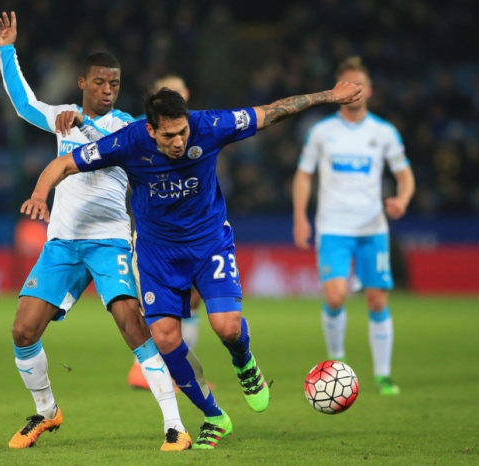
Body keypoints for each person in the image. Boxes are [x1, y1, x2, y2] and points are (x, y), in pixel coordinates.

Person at [21, 80, 362, 448]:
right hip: (157, 254)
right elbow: (64, 163)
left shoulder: (210, 125)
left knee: (227, 328)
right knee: (166, 339)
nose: (179, 141)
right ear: (150, 129)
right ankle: (214, 417)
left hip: (208, 243)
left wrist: (328, 96)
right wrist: (41, 194)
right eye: (169, 136)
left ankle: (244, 362)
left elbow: (272, 111)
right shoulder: (129, 141)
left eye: (182, 131)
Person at [0, 11, 190, 451]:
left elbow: (106, 141)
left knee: (131, 324)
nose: (107, 90)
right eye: (100, 83)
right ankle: (46, 411)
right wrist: (6, 50)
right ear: (83, 83)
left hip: (110, 240)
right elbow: (25, 104)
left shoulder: (126, 126)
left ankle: (174, 426)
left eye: (115, 84)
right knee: (23, 331)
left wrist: (83, 125)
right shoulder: (63, 116)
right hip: (63, 241)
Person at [292, 56, 415, 396]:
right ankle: (336, 364)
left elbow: (405, 175)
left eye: (359, 85)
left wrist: (402, 200)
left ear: (370, 90)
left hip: (372, 228)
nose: (354, 91)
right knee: (336, 295)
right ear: (336, 91)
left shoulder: (383, 132)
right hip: (333, 227)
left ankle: (383, 375)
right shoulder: (321, 132)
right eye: (347, 85)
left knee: (377, 300)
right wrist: (300, 216)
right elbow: (304, 175)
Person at [126, 74, 205, 390]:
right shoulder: (138, 133)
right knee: (158, 304)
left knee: (194, 299)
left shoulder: (196, 132)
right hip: (156, 235)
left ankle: (179, 368)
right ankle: (144, 367)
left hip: (193, 232)